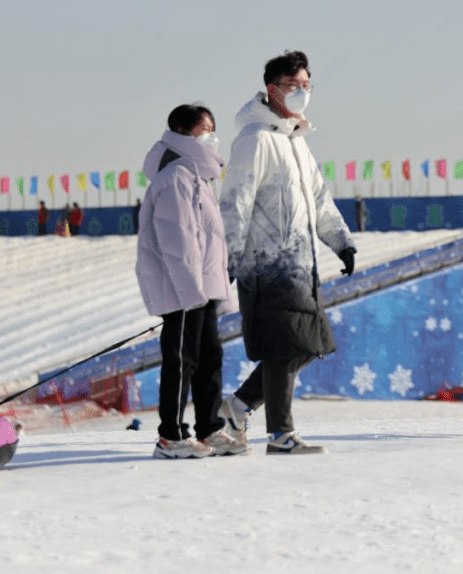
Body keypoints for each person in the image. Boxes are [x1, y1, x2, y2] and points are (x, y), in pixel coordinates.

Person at [218, 50, 357, 455]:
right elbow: (235, 201)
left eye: (307, 85)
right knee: (283, 348)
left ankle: (238, 406)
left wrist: (341, 241)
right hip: (265, 263)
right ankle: (280, 432)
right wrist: (229, 256)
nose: (301, 93)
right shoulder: (255, 140)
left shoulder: (295, 142)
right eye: (293, 86)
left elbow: (319, 197)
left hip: (300, 265)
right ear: (271, 89)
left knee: (310, 345)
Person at [136, 103, 248, 459]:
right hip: (185, 291)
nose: (212, 135)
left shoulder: (198, 178)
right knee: (182, 361)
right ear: (184, 133)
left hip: (203, 289)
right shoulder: (175, 179)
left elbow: (210, 239)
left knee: (209, 359)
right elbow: (178, 241)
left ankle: (209, 428)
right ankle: (171, 436)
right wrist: (191, 292)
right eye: (206, 128)